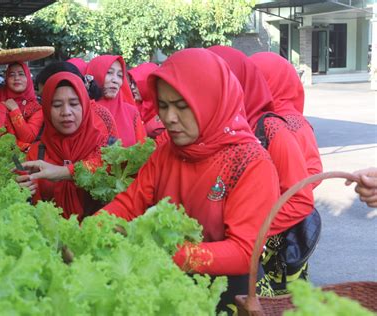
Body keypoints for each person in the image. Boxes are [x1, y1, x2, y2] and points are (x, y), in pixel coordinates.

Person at [99, 48, 280, 314]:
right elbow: (129, 204)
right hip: (173, 285)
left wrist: (168, 255)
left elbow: (244, 252)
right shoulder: (166, 151)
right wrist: (94, 228)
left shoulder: (251, 161)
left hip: (231, 293)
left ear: (211, 101)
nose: (169, 117)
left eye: (183, 106)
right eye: (163, 105)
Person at [208, 45, 315, 294]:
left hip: (272, 235)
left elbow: (303, 191)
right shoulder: (226, 127)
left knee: (283, 299)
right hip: (248, 241)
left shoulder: (274, 126)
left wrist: (253, 225)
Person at [15, 72, 109, 219]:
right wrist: (26, 192)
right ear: (46, 109)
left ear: (85, 105)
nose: (66, 112)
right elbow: (33, 208)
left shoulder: (103, 144)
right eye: (57, 105)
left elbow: (105, 168)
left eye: (74, 104)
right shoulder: (37, 152)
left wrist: (64, 172)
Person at [250, 52, 323, 187]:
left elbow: (314, 171)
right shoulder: (250, 116)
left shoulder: (293, 123)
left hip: (283, 204)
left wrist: (283, 194)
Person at [35, 61, 118, 142]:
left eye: (73, 103)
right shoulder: (39, 118)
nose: (66, 112)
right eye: (41, 98)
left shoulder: (102, 117)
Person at [86, 55, 146, 147]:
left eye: (120, 75)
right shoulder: (84, 112)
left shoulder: (131, 113)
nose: (115, 80)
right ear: (95, 74)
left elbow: (143, 150)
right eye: (109, 73)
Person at [0, 62, 43, 151]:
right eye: (11, 75)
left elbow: (29, 137)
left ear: (28, 78)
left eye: (21, 74)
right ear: (6, 78)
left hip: (26, 158)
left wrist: (15, 110)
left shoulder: (36, 108)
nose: (16, 78)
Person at [128, 62, 165, 139]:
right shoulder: (136, 106)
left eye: (135, 83)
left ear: (147, 84)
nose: (132, 87)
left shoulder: (165, 108)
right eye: (131, 83)